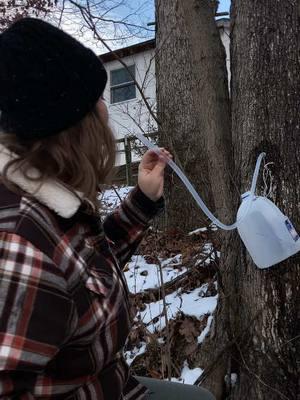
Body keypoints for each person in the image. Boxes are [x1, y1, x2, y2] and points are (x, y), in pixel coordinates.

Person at [0, 18, 215, 400]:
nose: (104, 107)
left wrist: (143, 200)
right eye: (96, 98)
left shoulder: (46, 201)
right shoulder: (19, 245)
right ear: (72, 122)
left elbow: (82, 273)